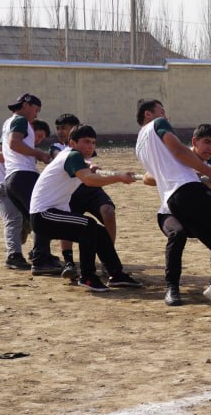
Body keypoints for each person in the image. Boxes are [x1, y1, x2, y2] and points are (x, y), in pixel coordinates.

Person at [135, 98, 211, 311]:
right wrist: (209, 172)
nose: (165, 116)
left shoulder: (139, 145)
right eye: (162, 111)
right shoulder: (158, 124)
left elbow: (163, 168)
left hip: (174, 199)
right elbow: (178, 151)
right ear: (148, 114)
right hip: (185, 190)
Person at [28, 124, 140, 292]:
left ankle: (116, 274)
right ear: (72, 143)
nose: (90, 146)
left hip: (49, 215)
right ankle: (87, 277)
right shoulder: (72, 155)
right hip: (43, 216)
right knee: (88, 225)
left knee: (100, 232)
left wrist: (89, 168)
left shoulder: (73, 157)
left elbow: (84, 173)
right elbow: (88, 180)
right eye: (86, 142)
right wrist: (119, 177)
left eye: (93, 143)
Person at [145, 123, 211, 306]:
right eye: (207, 142)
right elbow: (147, 178)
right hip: (169, 213)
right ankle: (172, 287)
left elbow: (206, 188)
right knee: (177, 234)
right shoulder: (176, 156)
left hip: (195, 214)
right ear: (194, 142)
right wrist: (176, 175)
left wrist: (200, 175)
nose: (210, 148)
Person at [52, 113, 121, 279]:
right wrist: (118, 177)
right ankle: (69, 261)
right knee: (69, 220)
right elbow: (69, 160)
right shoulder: (58, 148)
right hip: (72, 192)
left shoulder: (84, 145)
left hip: (91, 190)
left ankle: (107, 260)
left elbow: (87, 160)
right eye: (58, 128)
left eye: (65, 128)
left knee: (108, 211)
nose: (61, 132)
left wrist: (91, 165)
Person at [0, 93, 60, 275]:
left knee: (35, 219)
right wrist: (39, 154)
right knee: (42, 217)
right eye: (36, 110)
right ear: (26, 105)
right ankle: (41, 260)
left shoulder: (8, 122)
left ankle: (42, 255)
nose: (36, 115)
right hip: (23, 175)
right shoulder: (21, 121)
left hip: (11, 179)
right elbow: (14, 143)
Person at [0, 139, 30, 270]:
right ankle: (14, 256)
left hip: (19, 187)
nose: (39, 139)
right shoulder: (8, 137)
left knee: (36, 216)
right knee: (13, 219)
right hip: (1, 188)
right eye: (38, 135)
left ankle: (40, 252)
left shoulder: (30, 144)